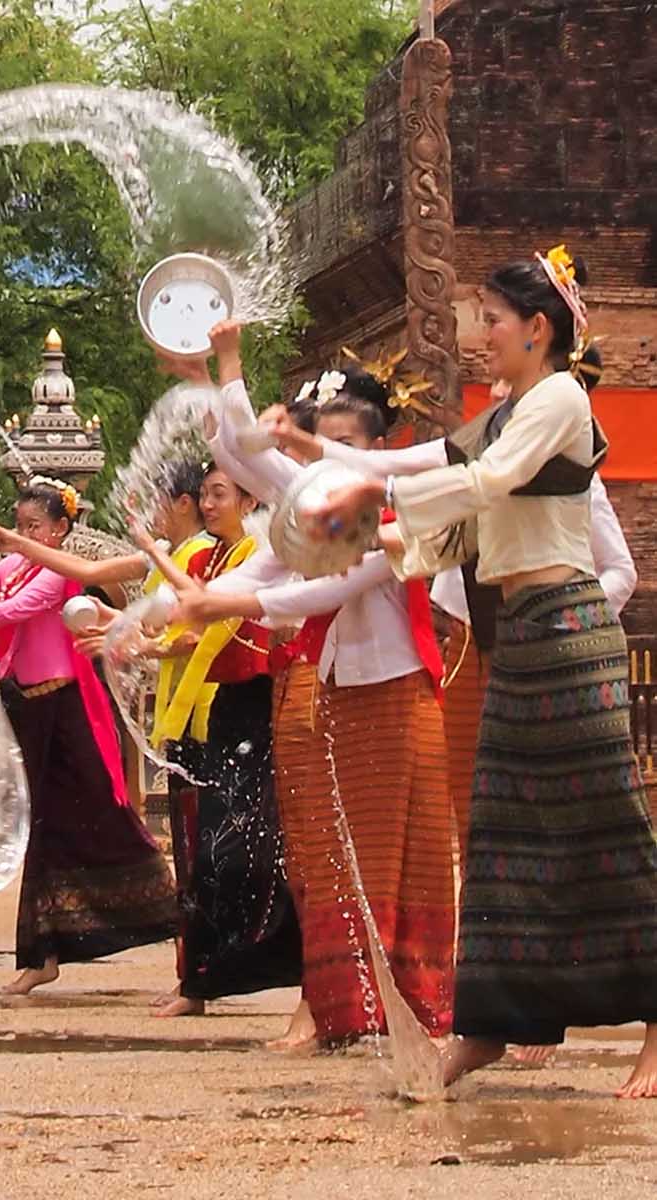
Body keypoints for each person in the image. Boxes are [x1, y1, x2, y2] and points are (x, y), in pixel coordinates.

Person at [308, 248, 657, 1097]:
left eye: (492, 321)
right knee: (502, 837)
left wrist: (377, 500)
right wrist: (365, 519)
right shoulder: (507, 409)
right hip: (524, 636)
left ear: (538, 329)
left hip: (572, 629)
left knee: (603, 824)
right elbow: (453, 509)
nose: (480, 337)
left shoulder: (560, 399)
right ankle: (492, 1025)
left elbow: (483, 481)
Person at [173, 335, 457, 1049]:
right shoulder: (314, 515)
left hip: (396, 695)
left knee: (396, 858)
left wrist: (221, 606)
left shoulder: (396, 516)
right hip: (336, 690)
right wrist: (216, 378)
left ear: (373, 450)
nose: (315, 458)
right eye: (312, 444)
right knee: (327, 855)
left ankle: (415, 1009)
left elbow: (334, 583)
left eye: (336, 446)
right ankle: (344, 1008)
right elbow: (251, 464)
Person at [0, 480, 177, 997]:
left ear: (60, 530)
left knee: (107, 817)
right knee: (42, 828)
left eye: (35, 526)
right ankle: (41, 954)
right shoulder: (12, 568)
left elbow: (15, 612)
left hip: (71, 710)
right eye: (20, 525)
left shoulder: (57, 575)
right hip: (32, 709)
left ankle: (176, 918)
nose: (24, 534)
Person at [139, 465, 302, 1019]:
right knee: (201, 848)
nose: (208, 505)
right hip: (219, 709)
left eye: (219, 494)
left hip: (258, 701)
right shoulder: (206, 554)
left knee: (241, 849)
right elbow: (181, 613)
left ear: (251, 497)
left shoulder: (261, 548)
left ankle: (277, 971)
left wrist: (150, 553)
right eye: (204, 495)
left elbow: (211, 616)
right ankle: (199, 981)